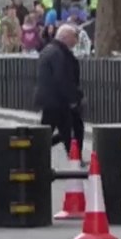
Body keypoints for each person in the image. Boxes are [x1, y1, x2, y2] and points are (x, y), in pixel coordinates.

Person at [35, 24, 84, 159]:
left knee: (59, 131)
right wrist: (73, 99)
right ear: (66, 37)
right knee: (69, 129)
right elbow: (63, 78)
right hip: (57, 100)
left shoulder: (49, 50)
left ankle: (36, 154)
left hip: (50, 99)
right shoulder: (59, 53)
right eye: (75, 37)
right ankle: (74, 157)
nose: (76, 40)